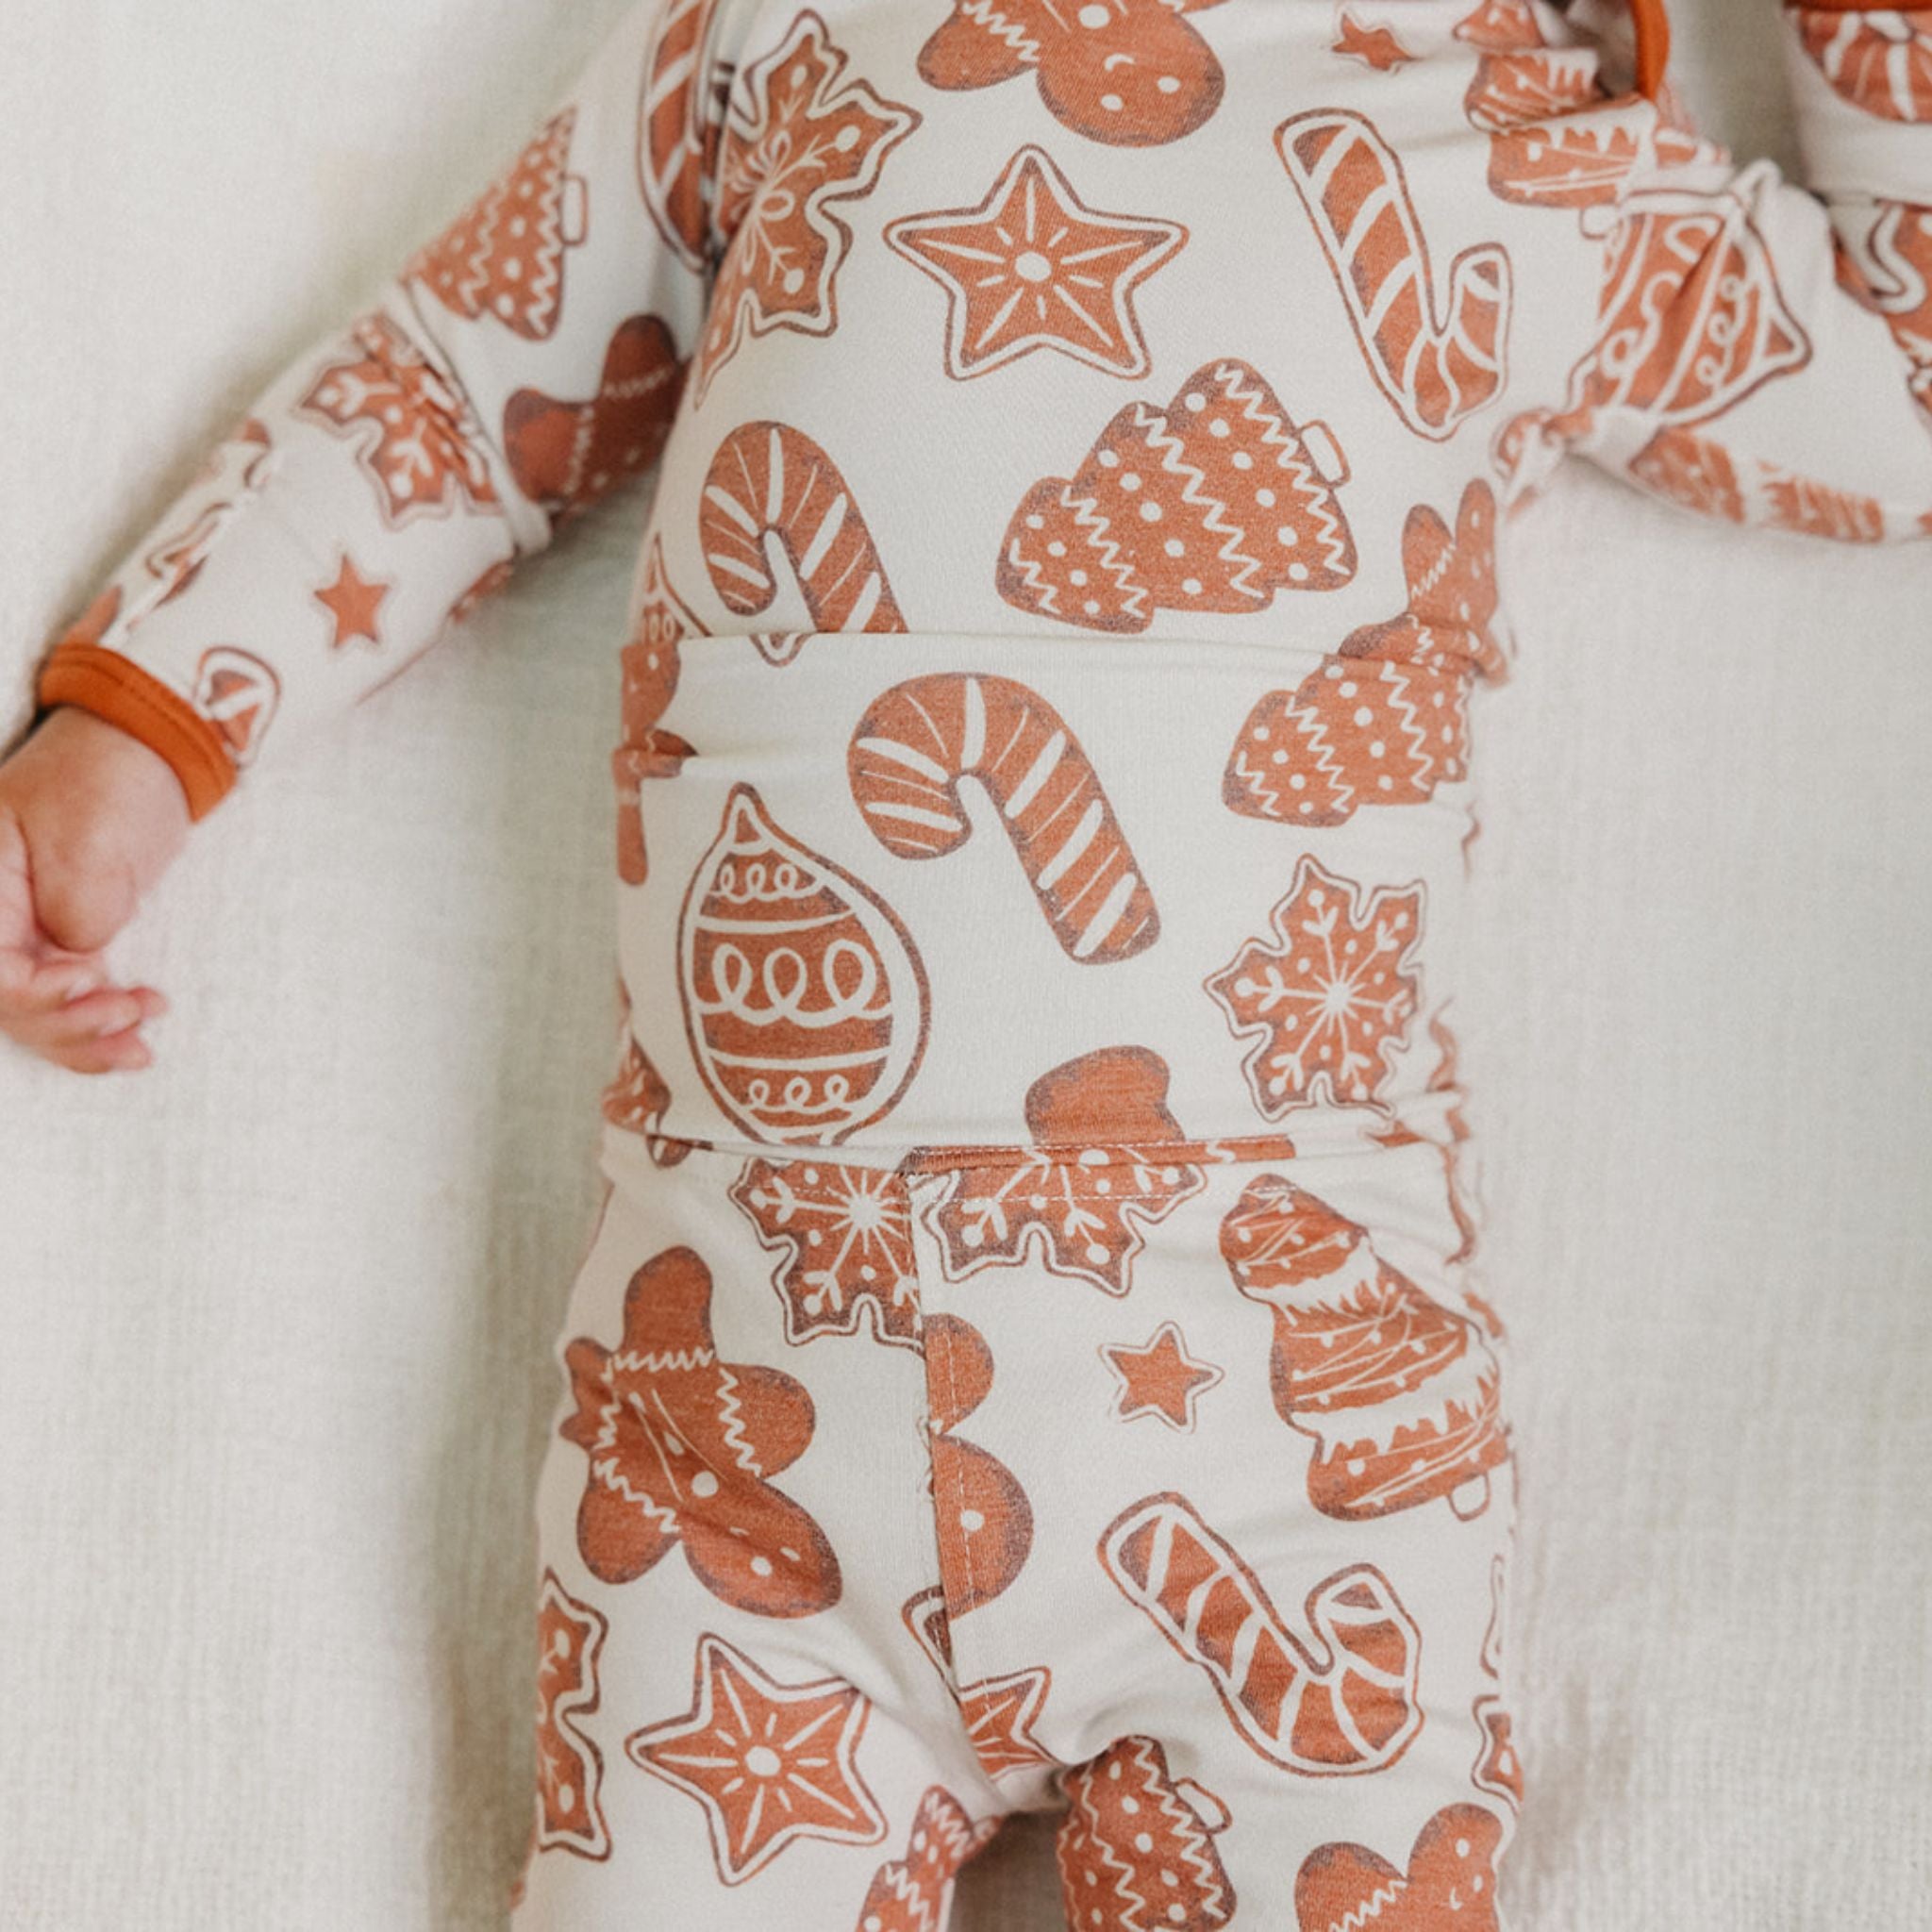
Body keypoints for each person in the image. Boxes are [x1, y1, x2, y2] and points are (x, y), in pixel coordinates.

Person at [3, 0, 1927, 1924]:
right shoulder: (777, 38)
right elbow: (455, 389)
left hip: (1295, 1449)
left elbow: (1893, 388)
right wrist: (144, 732)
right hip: (731, 1444)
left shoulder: (1517, 135)